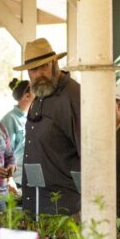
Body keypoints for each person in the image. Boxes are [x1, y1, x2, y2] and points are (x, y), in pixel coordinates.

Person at [15, 38, 81, 217]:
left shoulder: (73, 96)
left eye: (43, 66)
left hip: (65, 210)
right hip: (37, 206)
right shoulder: (40, 95)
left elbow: (93, 156)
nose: (39, 74)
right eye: (33, 69)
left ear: (55, 63)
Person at [0, 78, 34, 186]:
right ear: (27, 96)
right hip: (16, 180)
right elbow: (4, 154)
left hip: (31, 178)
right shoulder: (9, 119)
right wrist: (8, 180)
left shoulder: (33, 118)